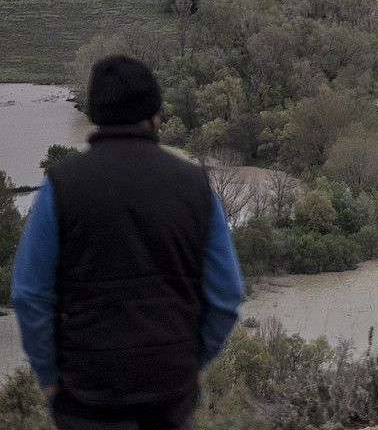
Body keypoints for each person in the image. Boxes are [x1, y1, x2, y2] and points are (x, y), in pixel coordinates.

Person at [11, 55, 244, 430]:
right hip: (170, 395)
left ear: (95, 115)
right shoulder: (195, 186)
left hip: (86, 396)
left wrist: (49, 378)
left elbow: (29, 295)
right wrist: (195, 362)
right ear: (155, 115)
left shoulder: (61, 185)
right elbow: (227, 296)